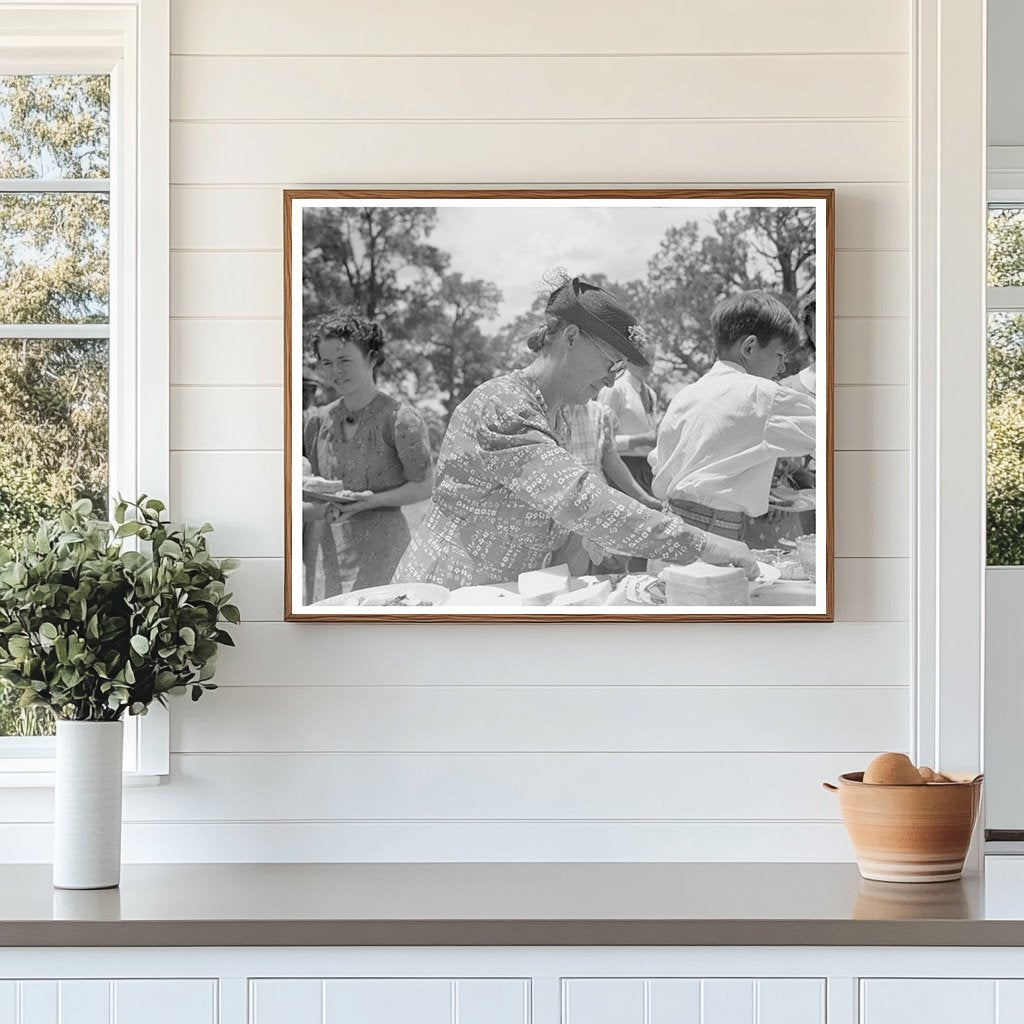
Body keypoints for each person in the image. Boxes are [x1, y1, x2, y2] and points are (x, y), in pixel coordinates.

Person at [393, 275, 757, 589]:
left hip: (499, 597)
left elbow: (548, 512)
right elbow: (578, 499)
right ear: (570, 338)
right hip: (449, 594)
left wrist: (593, 545)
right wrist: (703, 543)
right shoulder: (503, 406)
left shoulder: (558, 415)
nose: (614, 379)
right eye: (613, 363)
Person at [649, 290, 815, 541]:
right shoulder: (763, 396)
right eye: (779, 355)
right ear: (749, 347)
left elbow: (662, 462)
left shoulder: (685, 395)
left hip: (671, 528)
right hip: (715, 534)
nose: (782, 367)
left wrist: (752, 493)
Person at [302, 311, 434, 599]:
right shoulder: (317, 422)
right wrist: (327, 507)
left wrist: (372, 501)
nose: (336, 371)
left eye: (345, 360)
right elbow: (310, 495)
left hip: (386, 553)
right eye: (327, 362)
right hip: (333, 555)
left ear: (372, 359)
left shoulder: (400, 419)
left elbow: (425, 486)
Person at [554, 397, 661, 574]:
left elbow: (611, 459)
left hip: (600, 503)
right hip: (563, 505)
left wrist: (644, 498)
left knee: (609, 572)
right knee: (568, 575)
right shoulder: (550, 410)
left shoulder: (599, 412)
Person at [599, 358, 659, 493]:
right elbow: (601, 440)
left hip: (647, 469)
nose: (648, 366)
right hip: (621, 466)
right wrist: (643, 439)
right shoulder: (615, 389)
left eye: (651, 359)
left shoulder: (650, 393)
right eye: (641, 360)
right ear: (628, 359)